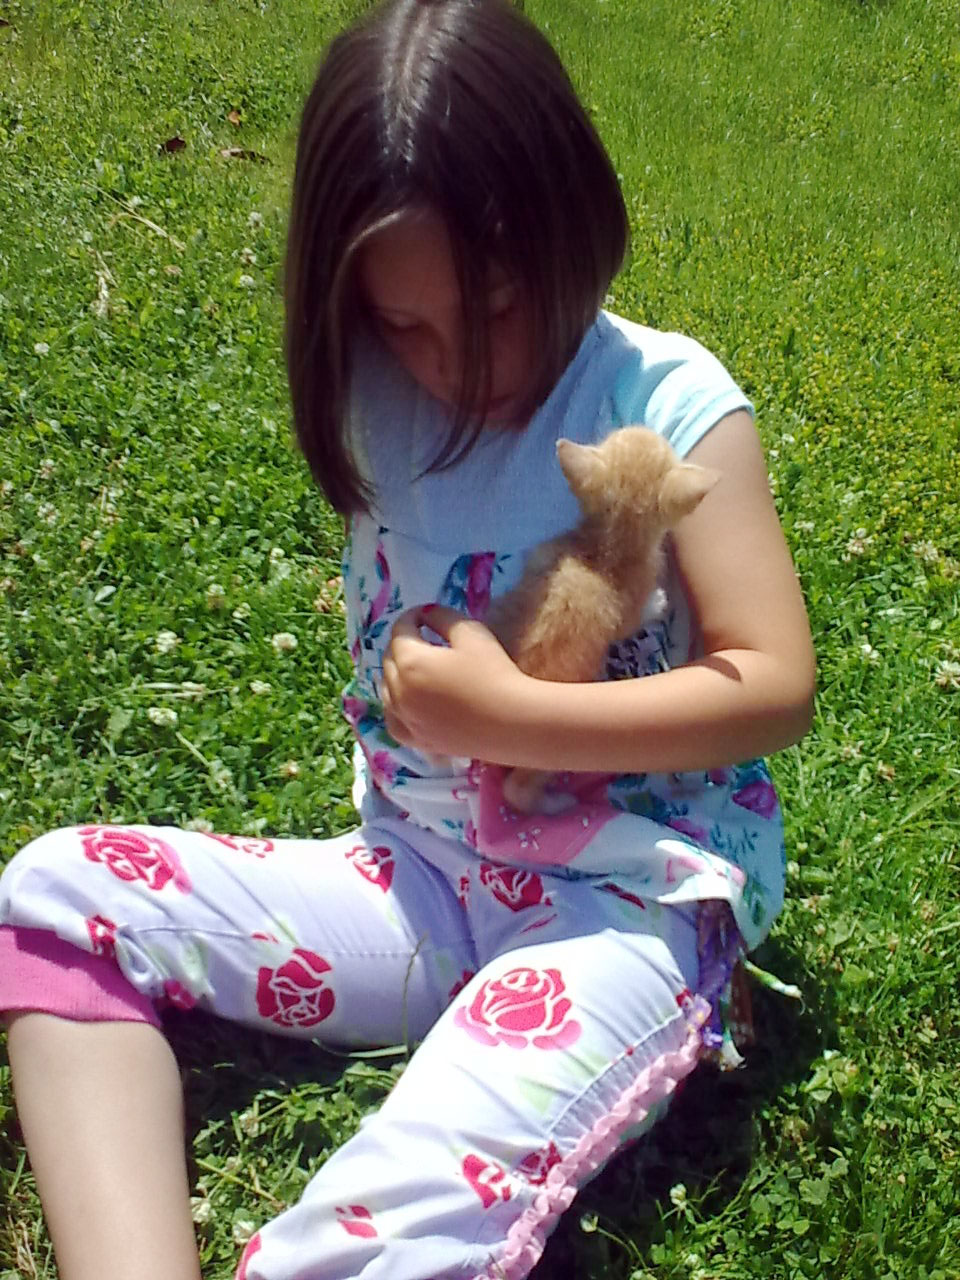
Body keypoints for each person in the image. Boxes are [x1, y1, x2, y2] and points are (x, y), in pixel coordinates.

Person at [0, 1, 815, 1278]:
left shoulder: (663, 404)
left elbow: (773, 683)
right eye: (407, 325)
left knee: (397, 1207)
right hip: (418, 879)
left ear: (574, 218)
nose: (459, 366)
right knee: (56, 893)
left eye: (496, 302)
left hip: (622, 901)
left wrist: (512, 715)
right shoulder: (375, 394)